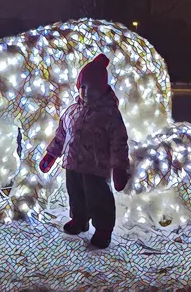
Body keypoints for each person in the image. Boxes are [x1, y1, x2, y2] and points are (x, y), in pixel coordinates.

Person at [39, 54, 130, 249]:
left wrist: (120, 168)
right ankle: (79, 220)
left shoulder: (109, 114)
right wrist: (52, 154)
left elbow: (119, 142)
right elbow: (61, 135)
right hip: (73, 164)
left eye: (93, 88)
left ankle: (103, 230)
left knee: (99, 199)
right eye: (83, 87)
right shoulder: (72, 111)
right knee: (76, 195)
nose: (87, 92)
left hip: (96, 168)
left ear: (103, 88)